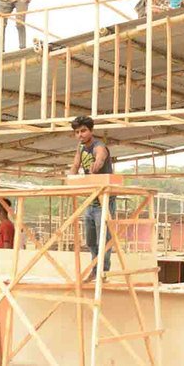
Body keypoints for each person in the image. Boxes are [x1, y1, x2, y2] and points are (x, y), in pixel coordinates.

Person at [69, 116, 114, 281]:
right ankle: (96, 270)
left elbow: (100, 156)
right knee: (91, 240)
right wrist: (70, 180)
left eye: (83, 131)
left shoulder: (99, 146)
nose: (80, 135)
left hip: (104, 200)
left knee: (104, 239)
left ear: (91, 131)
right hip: (91, 199)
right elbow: (75, 165)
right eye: (77, 132)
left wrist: (98, 164)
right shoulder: (81, 148)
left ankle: (102, 272)